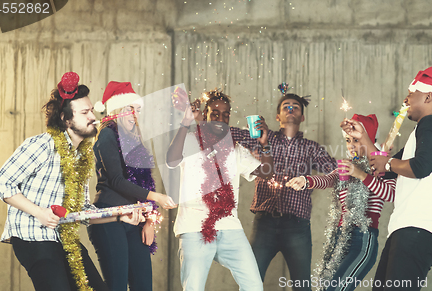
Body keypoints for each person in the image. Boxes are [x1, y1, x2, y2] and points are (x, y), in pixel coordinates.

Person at [0, 72, 143, 291]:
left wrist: (121, 217)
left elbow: (83, 212)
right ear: (66, 119)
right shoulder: (41, 145)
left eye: (91, 110)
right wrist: (40, 212)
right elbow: (1, 183)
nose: (93, 116)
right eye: (85, 112)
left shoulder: (82, 156)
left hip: (64, 239)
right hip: (32, 237)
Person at [230, 92, 337, 290]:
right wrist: (210, 123)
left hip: (297, 226)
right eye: (285, 106)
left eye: (295, 106)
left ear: (302, 117)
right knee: (250, 281)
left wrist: (360, 157)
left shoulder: (311, 148)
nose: (290, 108)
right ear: (277, 116)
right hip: (264, 224)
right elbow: (231, 134)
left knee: (302, 285)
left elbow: (336, 171)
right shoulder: (262, 138)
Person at [167, 89, 273, 291]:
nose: (221, 118)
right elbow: (171, 160)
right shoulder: (190, 140)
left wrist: (264, 144)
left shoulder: (235, 148)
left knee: (254, 286)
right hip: (194, 227)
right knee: (194, 288)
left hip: (230, 227)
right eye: (215, 113)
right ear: (204, 114)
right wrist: (185, 122)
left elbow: (266, 173)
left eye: (226, 114)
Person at [368, 66, 432, 291]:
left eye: (411, 93)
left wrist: (387, 163)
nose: (405, 99)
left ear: (428, 96)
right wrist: (362, 138)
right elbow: (383, 168)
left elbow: (420, 167)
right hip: (409, 227)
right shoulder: (421, 131)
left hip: (420, 226)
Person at [287, 114, 396, 291]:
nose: (351, 145)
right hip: (340, 238)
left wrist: (361, 174)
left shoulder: (382, 165)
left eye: (356, 140)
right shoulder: (346, 165)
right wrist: (306, 181)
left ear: (369, 139)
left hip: (363, 238)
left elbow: (390, 194)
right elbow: (329, 179)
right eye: (347, 140)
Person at [88, 81, 177, 291]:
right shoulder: (107, 135)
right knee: (117, 286)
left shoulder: (134, 140)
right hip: (110, 219)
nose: (134, 114)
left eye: (137, 110)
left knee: (143, 285)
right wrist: (157, 197)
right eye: (129, 108)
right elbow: (117, 181)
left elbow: (144, 181)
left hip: (134, 219)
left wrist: (149, 220)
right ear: (116, 110)